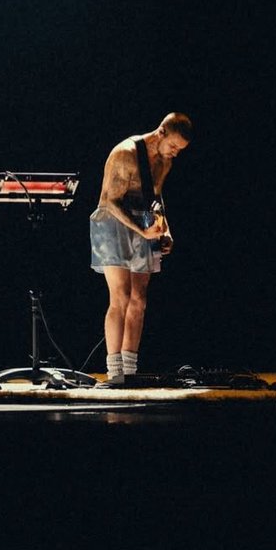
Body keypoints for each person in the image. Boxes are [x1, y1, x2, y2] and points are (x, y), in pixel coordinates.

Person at [89, 112, 192, 384]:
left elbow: (155, 197)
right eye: (173, 146)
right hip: (113, 222)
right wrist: (142, 230)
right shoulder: (125, 154)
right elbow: (110, 201)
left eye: (180, 150)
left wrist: (164, 230)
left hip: (142, 221)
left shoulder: (164, 162)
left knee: (139, 299)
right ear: (161, 132)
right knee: (120, 296)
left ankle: (130, 373)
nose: (174, 153)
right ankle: (115, 372)